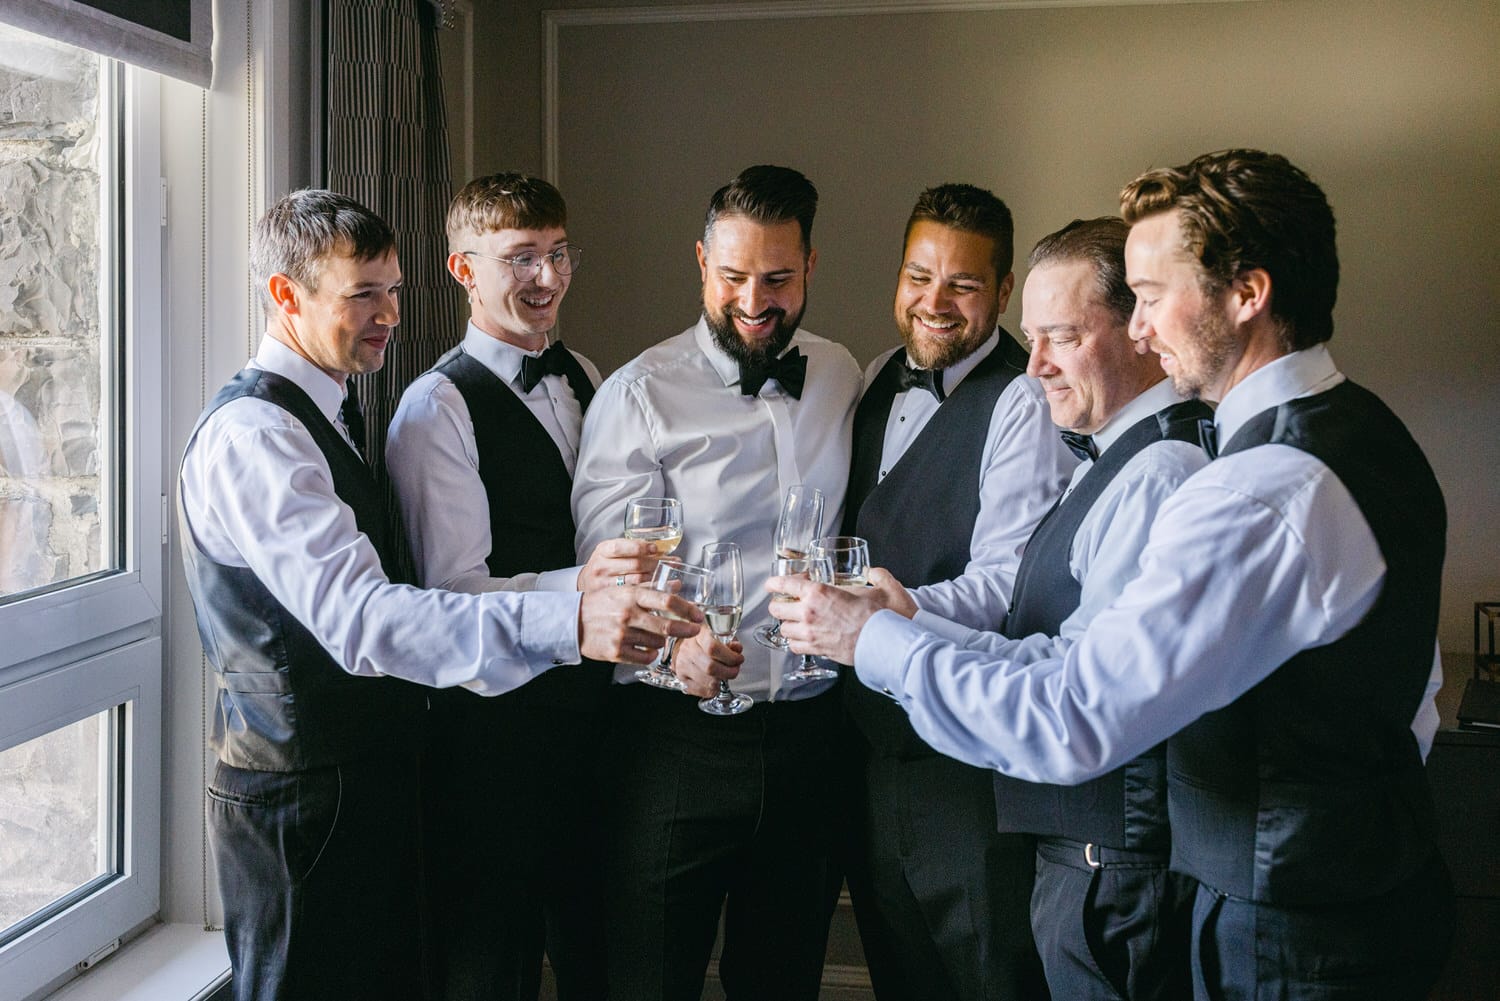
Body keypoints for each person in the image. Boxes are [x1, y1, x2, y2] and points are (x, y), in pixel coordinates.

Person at [772, 149, 1455, 1000]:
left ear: (1248, 294)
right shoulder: (1366, 433)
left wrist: (871, 639)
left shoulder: (1257, 489)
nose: (1138, 328)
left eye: (1155, 296)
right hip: (1360, 898)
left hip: (1286, 936)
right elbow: (1413, 703)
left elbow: (1074, 716)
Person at [178, 189, 699, 1001]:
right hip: (299, 798)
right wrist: (573, 615)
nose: (389, 313)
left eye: (393, 289)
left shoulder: (329, 411)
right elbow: (363, 619)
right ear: (286, 294)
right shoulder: (256, 435)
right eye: (363, 294)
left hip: (368, 781)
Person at [571, 164, 862, 1000]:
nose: (753, 299)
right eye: (733, 276)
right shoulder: (638, 394)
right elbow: (613, 580)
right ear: (702, 262)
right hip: (676, 743)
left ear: (810, 266)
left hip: (812, 738)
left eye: (776, 277)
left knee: (783, 980)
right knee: (646, 980)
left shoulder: (841, 374)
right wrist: (674, 654)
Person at [385, 174, 653, 1000]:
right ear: (463, 270)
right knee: (489, 971)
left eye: (557, 253)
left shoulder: (586, 373)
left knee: (599, 956)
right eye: (520, 258)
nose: (546, 277)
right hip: (491, 746)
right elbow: (454, 593)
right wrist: (586, 586)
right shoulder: (436, 409)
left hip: (592, 727)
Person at [837, 183, 1070, 1001]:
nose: (934, 303)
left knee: (990, 976)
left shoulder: (1023, 399)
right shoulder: (869, 379)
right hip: (869, 752)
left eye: (963, 285)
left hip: (965, 764)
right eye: (918, 277)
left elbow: (1007, 584)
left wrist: (887, 615)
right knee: (901, 977)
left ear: (1003, 292)